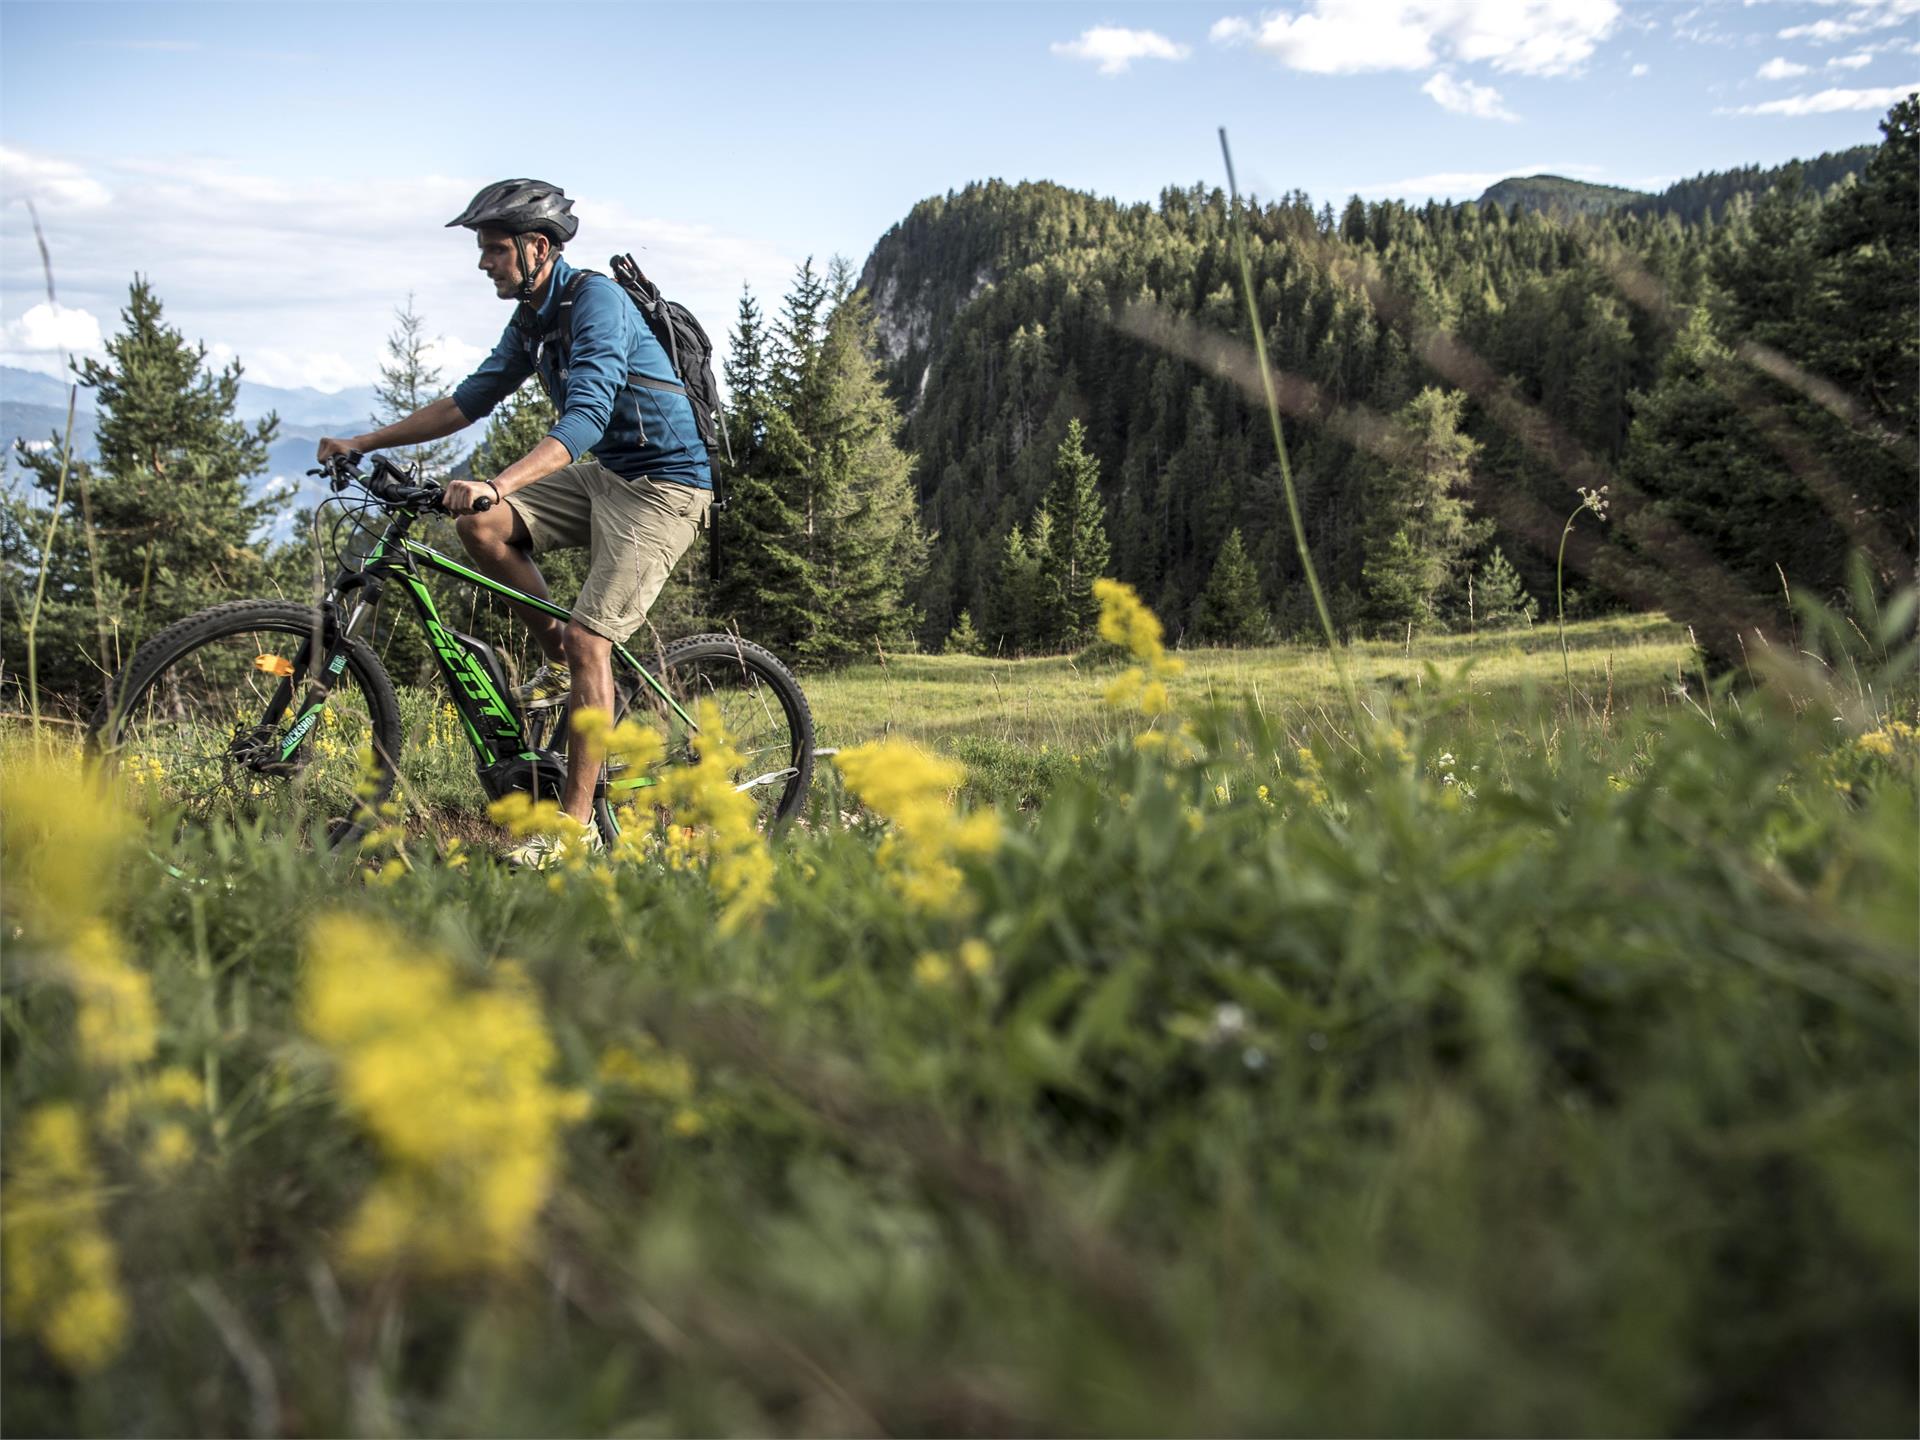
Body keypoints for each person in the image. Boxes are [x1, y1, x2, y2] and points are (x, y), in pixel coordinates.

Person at [317, 178, 712, 863]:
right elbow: (472, 399)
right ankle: (558, 662)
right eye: (482, 250)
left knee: (594, 642)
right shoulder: (536, 314)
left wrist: (495, 483)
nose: (483, 263)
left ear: (537, 247)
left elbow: (584, 417)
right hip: (612, 475)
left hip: (664, 486)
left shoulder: (596, 303)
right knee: (484, 528)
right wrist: (365, 443)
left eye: (494, 249)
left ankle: (576, 830)